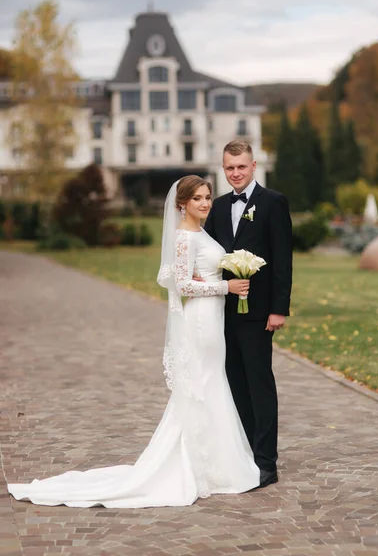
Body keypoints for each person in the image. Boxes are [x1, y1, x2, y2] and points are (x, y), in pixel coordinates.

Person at [7, 175, 260, 508]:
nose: (205, 203)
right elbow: (183, 285)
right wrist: (225, 288)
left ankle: (216, 463)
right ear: (182, 203)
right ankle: (198, 466)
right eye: (197, 198)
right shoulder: (185, 236)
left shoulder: (201, 232)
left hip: (214, 319)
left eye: (208, 197)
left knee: (212, 382)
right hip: (201, 320)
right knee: (203, 384)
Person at [204, 140, 292, 488]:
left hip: (259, 315)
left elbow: (282, 258)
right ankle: (243, 453)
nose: (235, 173)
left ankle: (266, 462)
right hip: (223, 313)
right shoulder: (218, 206)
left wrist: (278, 309)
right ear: (223, 169)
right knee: (235, 384)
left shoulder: (273, 203)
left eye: (241, 166)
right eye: (229, 168)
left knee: (259, 384)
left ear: (253, 166)